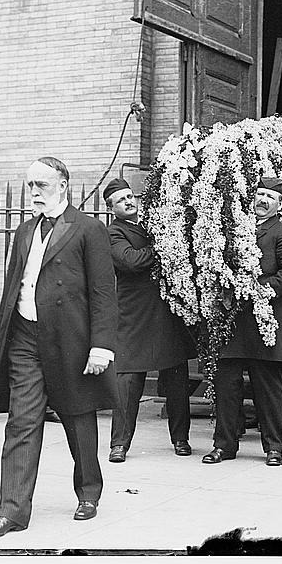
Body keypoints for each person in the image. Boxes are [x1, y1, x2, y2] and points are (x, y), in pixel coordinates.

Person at [0, 157, 118, 536]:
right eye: (30, 185)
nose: (35, 191)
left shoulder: (88, 229)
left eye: (42, 184)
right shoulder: (25, 231)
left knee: (78, 417)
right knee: (22, 422)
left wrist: (101, 345)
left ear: (63, 185)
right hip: (25, 338)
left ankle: (89, 492)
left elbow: (104, 292)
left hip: (69, 339)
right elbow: (16, 284)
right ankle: (12, 512)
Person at [202, 178, 282, 467]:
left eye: (270, 196)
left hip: (264, 322)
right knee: (226, 385)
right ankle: (224, 445)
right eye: (259, 194)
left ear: (280, 204)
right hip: (233, 323)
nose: (262, 200)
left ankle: (273, 447)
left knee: (268, 389)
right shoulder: (236, 231)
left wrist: (256, 288)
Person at [103, 177, 196, 463]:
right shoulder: (113, 233)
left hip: (165, 312)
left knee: (177, 379)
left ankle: (181, 439)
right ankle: (119, 444)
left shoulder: (148, 227)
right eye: (122, 200)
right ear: (111, 209)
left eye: (131, 197)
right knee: (128, 383)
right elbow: (130, 261)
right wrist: (164, 247)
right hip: (135, 314)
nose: (129, 202)